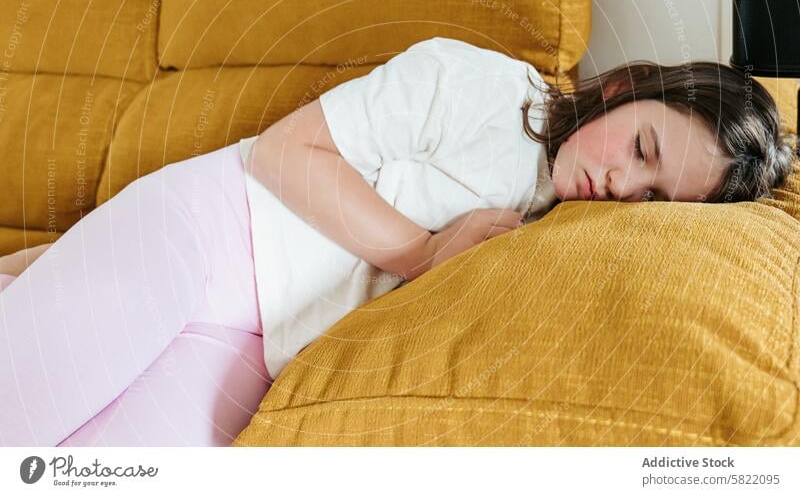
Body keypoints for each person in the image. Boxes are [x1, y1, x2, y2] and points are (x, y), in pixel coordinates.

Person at [0, 37, 794, 447]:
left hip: (261, 350)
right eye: (643, 150)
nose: (624, 185)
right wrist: (422, 254)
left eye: (655, 196)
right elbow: (283, 154)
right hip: (212, 230)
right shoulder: (484, 86)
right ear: (624, 89)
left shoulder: (568, 233)